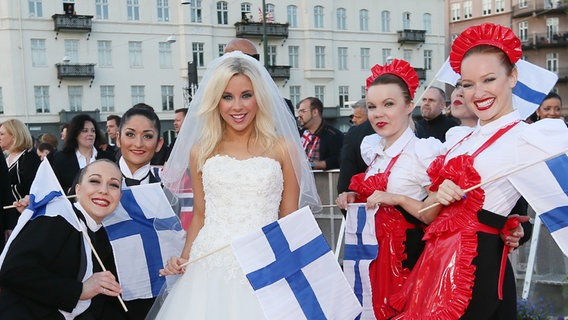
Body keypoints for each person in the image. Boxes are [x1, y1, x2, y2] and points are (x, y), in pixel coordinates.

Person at [388, 23, 567, 319]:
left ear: (513, 77)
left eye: (489, 79)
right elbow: (429, 212)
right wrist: (438, 194)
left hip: (476, 266)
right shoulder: (460, 140)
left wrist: (510, 225)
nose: (477, 92)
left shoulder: (528, 138)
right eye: (467, 84)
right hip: (434, 264)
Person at [151, 51, 320, 319]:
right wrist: (185, 258)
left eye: (246, 95)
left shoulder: (283, 148)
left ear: (259, 98)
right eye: (227, 97)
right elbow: (200, 215)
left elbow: (291, 218)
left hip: (265, 261)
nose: (237, 106)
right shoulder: (201, 151)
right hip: (209, 263)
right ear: (215, 101)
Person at [335, 59, 443, 319]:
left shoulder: (422, 152)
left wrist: (397, 198)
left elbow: (434, 213)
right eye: (372, 106)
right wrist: (354, 197)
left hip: (405, 262)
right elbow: (374, 200)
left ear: (409, 106)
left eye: (388, 104)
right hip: (368, 259)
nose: (378, 114)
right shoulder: (372, 149)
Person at [0, 159, 123, 319]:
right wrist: (79, 290)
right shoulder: (56, 219)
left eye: (113, 185)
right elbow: (13, 270)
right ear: (78, 190)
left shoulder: (99, 234)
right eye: (95, 181)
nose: (104, 190)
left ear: (120, 196)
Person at [0, 119, 42, 241]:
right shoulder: (6, 158)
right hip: (8, 217)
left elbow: (31, 186)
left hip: (23, 215)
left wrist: (6, 191)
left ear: (14, 135)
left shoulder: (29, 157)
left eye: (2, 134)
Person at [52, 114, 114, 195]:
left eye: (93, 130)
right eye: (85, 131)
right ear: (75, 134)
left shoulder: (108, 158)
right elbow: (53, 188)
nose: (90, 134)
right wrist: (71, 190)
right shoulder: (61, 158)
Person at [297, 97, 344, 170]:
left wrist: (317, 165)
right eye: (299, 112)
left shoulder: (334, 135)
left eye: (303, 111)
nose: (299, 115)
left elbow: (340, 159)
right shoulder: (298, 135)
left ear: (315, 112)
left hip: (323, 180)